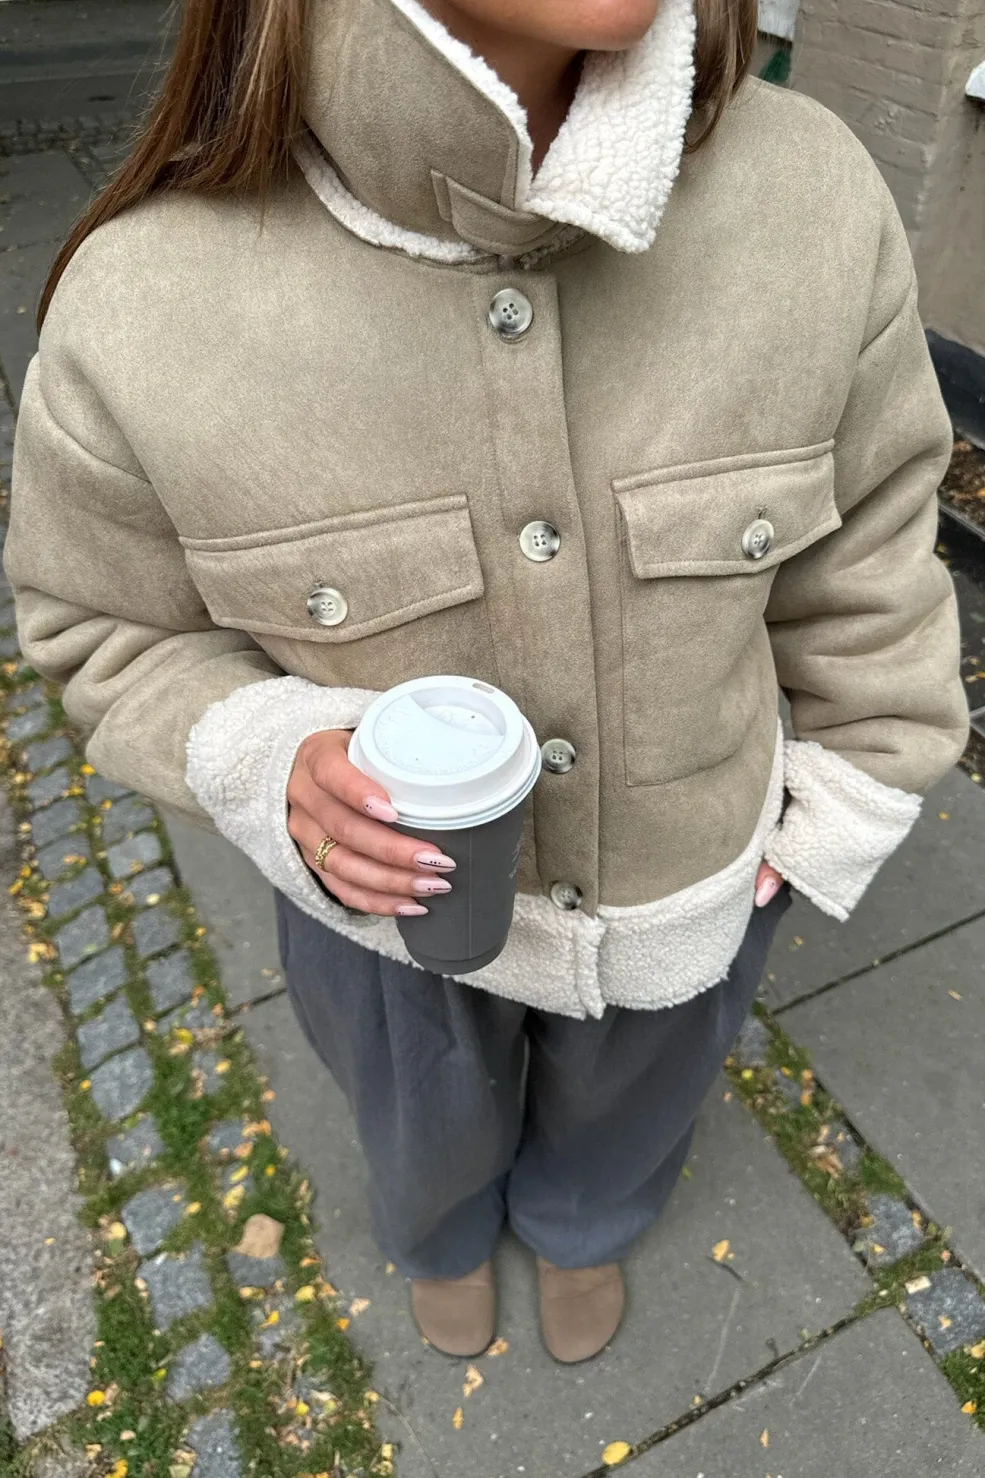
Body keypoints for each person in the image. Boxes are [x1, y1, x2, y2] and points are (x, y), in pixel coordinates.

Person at [5, 0, 967, 1366]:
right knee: (418, 1118)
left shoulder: (810, 197)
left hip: (693, 881)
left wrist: (859, 778)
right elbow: (103, 625)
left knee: (635, 1111)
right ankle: (439, 1236)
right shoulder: (139, 305)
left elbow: (871, 535)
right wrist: (265, 755)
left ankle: (586, 1220)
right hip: (380, 923)